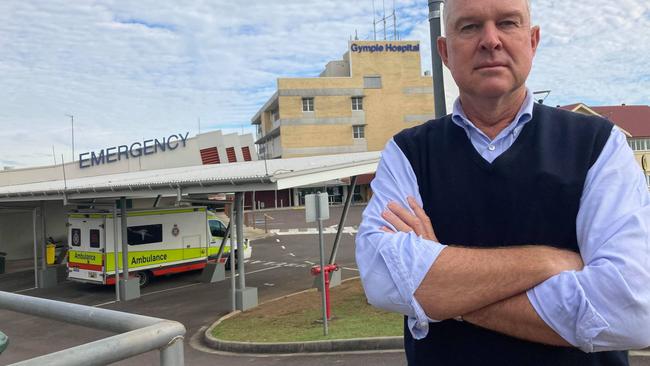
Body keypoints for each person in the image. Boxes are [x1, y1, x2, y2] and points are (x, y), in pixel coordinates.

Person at [355, 0, 650, 365]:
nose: (490, 40)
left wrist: (445, 293)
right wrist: (546, 261)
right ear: (445, 52)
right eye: (469, 26)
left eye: (508, 23)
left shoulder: (599, 145)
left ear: (533, 41)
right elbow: (383, 278)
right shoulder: (407, 154)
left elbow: (631, 309)